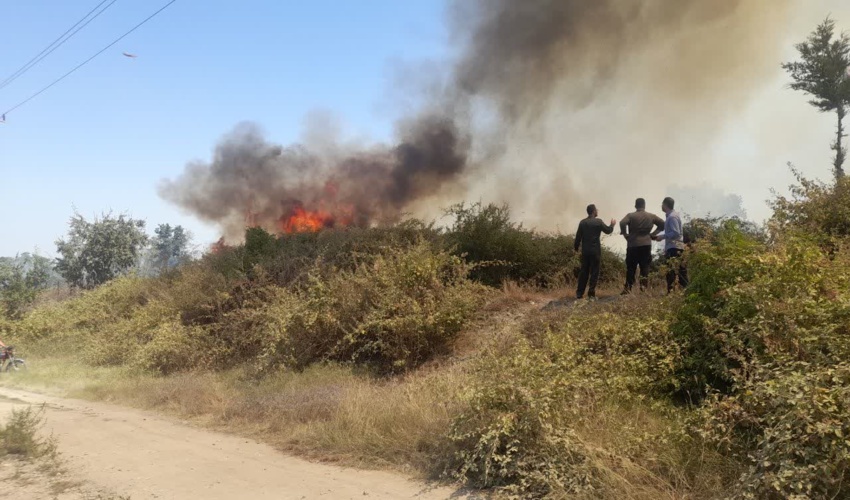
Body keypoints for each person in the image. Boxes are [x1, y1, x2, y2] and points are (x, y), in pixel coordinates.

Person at [619, 198, 665, 294]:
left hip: (632, 245)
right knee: (645, 268)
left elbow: (622, 223)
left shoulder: (630, 216)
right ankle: (643, 290)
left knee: (631, 268)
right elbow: (662, 224)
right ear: (644, 205)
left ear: (635, 206)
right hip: (646, 244)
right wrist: (653, 234)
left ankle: (628, 289)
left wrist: (625, 234)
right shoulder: (651, 216)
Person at [574, 204, 615, 299]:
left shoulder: (582, 223)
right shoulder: (598, 222)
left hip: (585, 252)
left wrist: (576, 249)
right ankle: (591, 293)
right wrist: (612, 225)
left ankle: (579, 293)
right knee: (594, 272)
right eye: (596, 210)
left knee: (584, 272)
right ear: (593, 211)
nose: (597, 211)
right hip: (595, 251)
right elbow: (608, 231)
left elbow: (578, 238)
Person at [653, 197, 689, 293]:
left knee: (671, 272)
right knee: (680, 271)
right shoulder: (672, 216)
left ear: (665, 204)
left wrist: (663, 237)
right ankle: (684, 292)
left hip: (674, 247)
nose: (661, 206)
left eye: (662, 204)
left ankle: (671, 293)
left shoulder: (672, 217)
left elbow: (676, 233)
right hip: (676, 247)